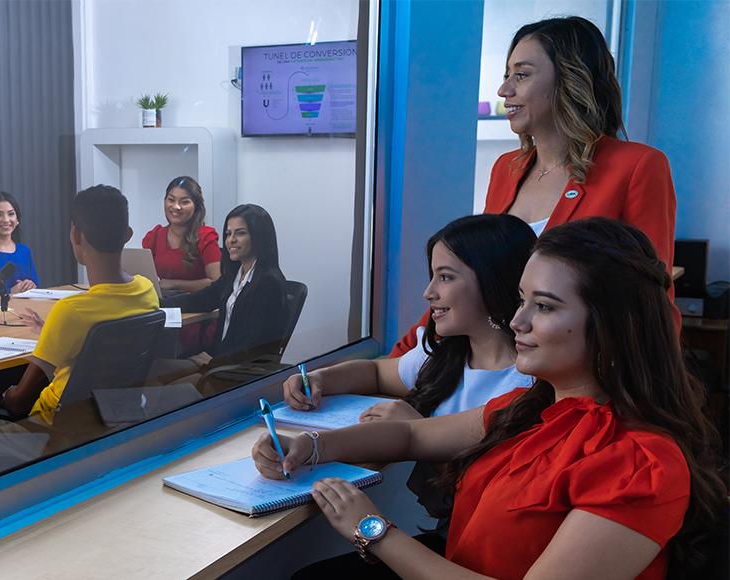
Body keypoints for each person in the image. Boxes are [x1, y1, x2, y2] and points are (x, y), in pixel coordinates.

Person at [255, 219, 725, 580]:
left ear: (611, 326)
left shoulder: (640, 463)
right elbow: (410, 435)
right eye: (522, 301)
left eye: (543, 307)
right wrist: (311, 446)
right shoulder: (535, 408)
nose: (517, 322)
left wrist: (374, 531)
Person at [391, 16, 679, 357]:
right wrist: (398, 358)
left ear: (570, 81)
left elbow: (653, 299)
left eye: (522, 75)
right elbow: (474, 280)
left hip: (581, 376)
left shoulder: (638, 166)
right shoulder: (506, 169)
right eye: (506, 75)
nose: (504, 90)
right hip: (501, 368)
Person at [283, 215, 536, 537]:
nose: (428, 292)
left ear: (493, 280)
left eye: (445, 277)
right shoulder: (447, 354)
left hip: (483, 539)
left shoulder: (528, 382)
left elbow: (484, 491)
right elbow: (375, 371)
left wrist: (415, 425)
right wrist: (319, 379)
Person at [1, 185, 158, 425]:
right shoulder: (147, 291)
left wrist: (4, 394)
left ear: (75, 235)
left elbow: (19, 402)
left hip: (51, 432)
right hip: (106, 420)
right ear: (127, 234)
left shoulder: (71, 312)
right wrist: (50, 332)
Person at [159, 204, 288, 376]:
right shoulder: (234, 275)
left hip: (235, 372)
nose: (231, 240)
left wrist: (214, 363)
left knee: (166, 390)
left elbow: (255, 347)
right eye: (228, 233)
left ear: (259, 237)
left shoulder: (268, 282)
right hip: (219, 361)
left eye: (240, 233)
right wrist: (155, 304)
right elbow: (201, 300)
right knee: (156, 371)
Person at [142, 176, 222, 295]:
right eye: (171, 200)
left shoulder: (206, 236)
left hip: (196, 308)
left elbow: (216, 281)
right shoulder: (155, 235)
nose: (176, 207)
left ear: (196, 206)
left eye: (184, 202)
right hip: (161, 305)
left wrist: (174, 283)